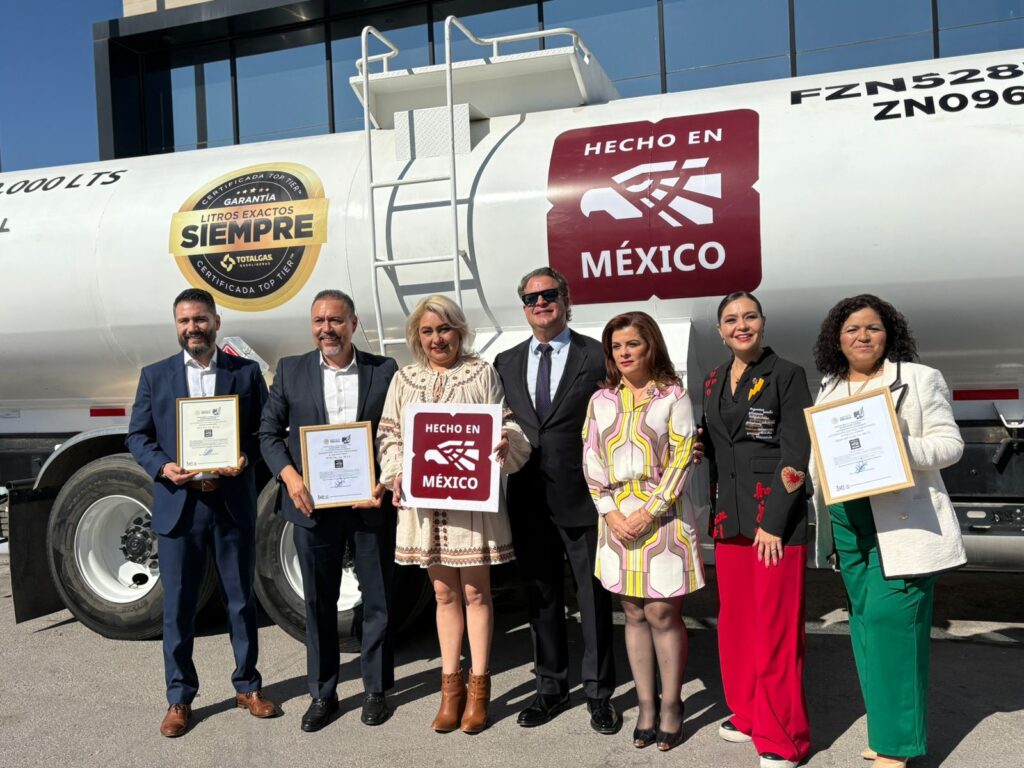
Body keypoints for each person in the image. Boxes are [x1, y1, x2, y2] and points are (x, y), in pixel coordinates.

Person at [809, 294, 966, 768]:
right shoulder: (830, 386)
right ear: (837, 339)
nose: (862, 336)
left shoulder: (919, 379)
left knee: (892, 627)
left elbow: (950, 446)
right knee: (864, 628)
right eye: (852, 329)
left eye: (873, 327)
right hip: (847, 522)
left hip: (900, 524)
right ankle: (884, 732)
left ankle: (898, 747)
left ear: (888, 334)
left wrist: (897, 446)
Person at [126, 288, 276, 737]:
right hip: (181, 505)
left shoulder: (244, 373)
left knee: (241, 601)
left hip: (230, 503)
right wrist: (162, 467)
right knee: (178, 606)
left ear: (216, 322)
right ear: (177, 326)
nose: (193, 327)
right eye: (184, 320)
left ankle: (248, 686)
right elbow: (138, 436)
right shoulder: (155, 376)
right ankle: (179, 698)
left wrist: (246, 457)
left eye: (200, 319)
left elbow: (263, 431)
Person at [377, 295, 530, 734]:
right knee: (444, 595)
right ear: (417, 336)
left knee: (477, 594)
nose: (436, 339)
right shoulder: (405, 379)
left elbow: (506, 422)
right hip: (426, 507)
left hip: (471, 505)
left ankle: (479, 688)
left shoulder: (480, 373)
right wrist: (397, 473)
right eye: (427, 331)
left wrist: (504, 440)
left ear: (459, 331)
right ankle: (451, 690)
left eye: (444, 329)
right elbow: (390, 435)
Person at [259, 289, 398, 732]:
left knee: (377, 599)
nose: (327, 329)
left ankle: (376, 689)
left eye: (335, 320)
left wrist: (384, 481)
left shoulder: (383, 370)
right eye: (319, 321)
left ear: (353, 324)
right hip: (312, 506)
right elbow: (268, 433)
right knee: (319, 601)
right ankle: (323, 693)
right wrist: (291, 478)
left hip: (368, 503)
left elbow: (398, 433)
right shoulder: (291, 370)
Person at [494, 267, 620, 735]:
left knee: (593, 598)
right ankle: (550, 688)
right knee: (541, 595)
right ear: (524, 308)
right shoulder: (505, 361)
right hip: (528, 496)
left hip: (584, 496)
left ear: (566, 300)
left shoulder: (596, 355)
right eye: (531, 298)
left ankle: (599, 693)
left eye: (549, 295)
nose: (541, 303)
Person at [582, 311, 704, 752]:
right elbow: (591, 458)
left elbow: (683, 457)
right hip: (616, 519)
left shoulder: (673, 395)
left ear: (651, 345)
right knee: (632, 613)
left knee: (662, 614)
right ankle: (646, 705)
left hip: (664, 517)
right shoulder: (601, 400)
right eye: (616, 346)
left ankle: (672, 704)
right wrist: (610, 512)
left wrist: (649, 511)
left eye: (632, 343)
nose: (624, 353)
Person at [700, 291, 812, 768]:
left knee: (776, 630)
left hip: (774, 524)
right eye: (731, 319)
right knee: (737, 624)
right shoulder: (712, 379)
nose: (741, 325)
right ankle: (747, 712)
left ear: (763, 323)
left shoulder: (787, 374)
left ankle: (784, 738)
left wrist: (774, 521)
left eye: (749, 317)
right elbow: (717, 446)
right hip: (730, 521)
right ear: (720, 331)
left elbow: (797, 453)